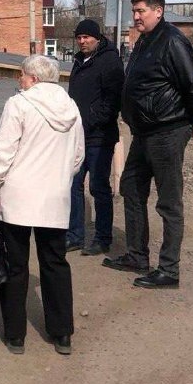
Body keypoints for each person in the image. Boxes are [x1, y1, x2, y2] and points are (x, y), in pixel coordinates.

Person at [103, 0, 193, 289]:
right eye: (134, 11)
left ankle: (169, 270)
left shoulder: (172, 40)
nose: (136, 16)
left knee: (169, 201)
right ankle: (137, 255)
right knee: (131, 188)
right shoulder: (145, 41)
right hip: (144, 132)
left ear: (158, 11)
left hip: (167, 131)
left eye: (141, 11)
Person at [0, 55, 85, 355]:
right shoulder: (71, 107)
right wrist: (60, 177)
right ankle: (62, 333)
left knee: (15, 266)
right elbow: (78, 155)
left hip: (18, 197)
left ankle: (16, 335)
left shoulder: (18, 104)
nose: (20, 79)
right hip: (55, 197)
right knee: (55, 262)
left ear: (34, 79)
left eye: (23, 75)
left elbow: (4, 150)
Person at [66, 18, 124, 255]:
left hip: (100, 136)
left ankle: (102, 238)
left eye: (86, 37)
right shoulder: (79, 61)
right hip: (78, 136)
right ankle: (75, 235)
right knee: (73, 185)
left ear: (97, 38)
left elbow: (113, 100)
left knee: (99, 187)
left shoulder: (109, 61)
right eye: (79, 38)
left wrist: (91, 121)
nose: (82, 41)